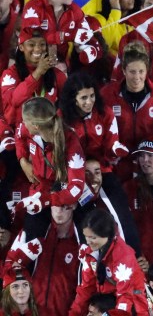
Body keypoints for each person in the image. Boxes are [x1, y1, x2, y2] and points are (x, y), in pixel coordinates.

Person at [13, 97, 85, 240]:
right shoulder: (28, 130)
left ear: (36, 126)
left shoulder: (71, 143)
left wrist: (47, 200)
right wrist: (22, 160)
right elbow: (18, 135)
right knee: (30, 239)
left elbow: (76, 187)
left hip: (64, 195)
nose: (23, 124)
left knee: (87, 232)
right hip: (39, 190)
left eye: (25, 120)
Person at [101, 41, 153, 181]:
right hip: (117, 165)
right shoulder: (107, 95)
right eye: (132, 71)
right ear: (123, 71)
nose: (137, 77)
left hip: (148, 166)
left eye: (141, 71)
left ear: (147, 71)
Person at [6, 203, 81, 315]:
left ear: (74, 205)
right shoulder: (33, 234)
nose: (59, 211)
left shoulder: (82, 241)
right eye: (56, 204)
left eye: (65, 206)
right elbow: (8, 269)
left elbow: (86, 286)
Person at [69, 209, 148, 315]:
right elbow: (86, 288)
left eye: (93, 238)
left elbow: (126, 295)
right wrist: (73, 313)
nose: (88, 242)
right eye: (86, 237)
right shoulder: (91, 254)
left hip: (134, 297)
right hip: (108, 299)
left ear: (106, 235)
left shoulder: (123, 256)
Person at [58, 72, 129, 174]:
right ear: (73, 99)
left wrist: (115, 150)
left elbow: (111, 144)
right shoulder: (61, 118)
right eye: (83, 98)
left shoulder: (105, 113)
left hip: (100, 169)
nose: (89, 101)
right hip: (72, 170)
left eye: (92, 95)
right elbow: (59, 149)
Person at [75, 159, 142, 260]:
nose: (93, 178)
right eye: (87, 174)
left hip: (126, 264)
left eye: (97, 172)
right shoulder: (75, 208)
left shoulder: (115, 197)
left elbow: (128, 227)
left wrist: (137, 257)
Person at [1, 28, 66, 128]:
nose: (38, 49)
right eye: (31, 44)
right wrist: (38, 72)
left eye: (42, 44)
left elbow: (67, 104)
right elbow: (15, 100)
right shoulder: (9, 75)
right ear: (21, 47)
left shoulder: (57, 75)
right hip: (15, 132)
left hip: (46, 132)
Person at [21, 0, 103, 66]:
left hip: (60, 67)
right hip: (31, 67)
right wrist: (67, 36)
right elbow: (33, 39)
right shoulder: (34, 7)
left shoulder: (75, 11)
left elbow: (88, 37)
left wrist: (88, 48)